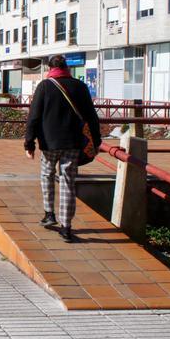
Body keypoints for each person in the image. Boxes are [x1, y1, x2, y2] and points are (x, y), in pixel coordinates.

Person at [24, 55, 101, 242]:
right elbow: (92, 116)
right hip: (73, 143)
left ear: (50, 68)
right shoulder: (80, 86)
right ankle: (66, 227)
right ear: (67, 67)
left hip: (49, 143)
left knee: (47, 174)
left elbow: (34, 117)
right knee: (68, 182)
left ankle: (49, 213)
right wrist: (96, 141)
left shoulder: (44, 86)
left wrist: (29, 142)